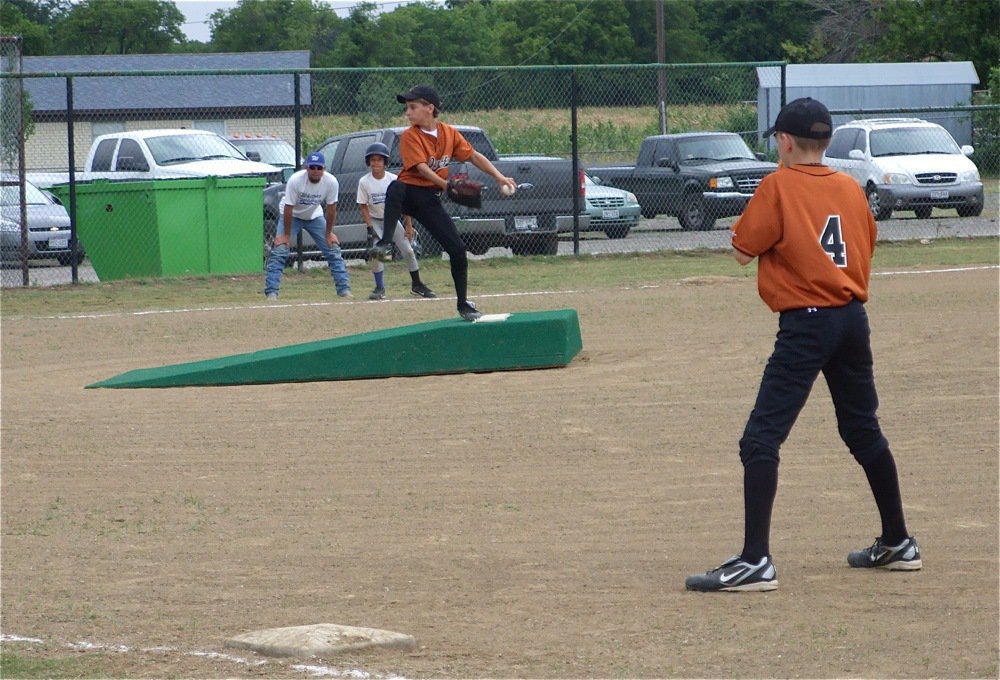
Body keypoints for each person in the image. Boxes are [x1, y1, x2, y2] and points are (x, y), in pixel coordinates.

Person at [685, 98, 920, 593]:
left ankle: (755, 561)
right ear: (829, 142)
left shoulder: (777, 185)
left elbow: (740, 252)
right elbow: (863, 241)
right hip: (852, 319)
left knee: (760, 439)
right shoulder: (851, 187)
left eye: (777, 139)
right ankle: (899, 541)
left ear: (785, 142)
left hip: (807, 323)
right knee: (862, 429)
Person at [369, 85, 516, 321]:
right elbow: (421, 168)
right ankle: (385, 242)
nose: (408, 112)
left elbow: (474, 156)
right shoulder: (409, 136)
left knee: (457, 250)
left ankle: (464, 304)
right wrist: (446, 185)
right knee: (395, 187)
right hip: (409, 192)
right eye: (407, 107)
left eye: (413, 107)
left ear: (430, 108)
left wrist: (498, 176)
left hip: (429, 199)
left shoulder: (449, 134)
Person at [264, 152, 351, 299]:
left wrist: (329, 233)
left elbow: (331, 210)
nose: (315, 171)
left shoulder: (331, 182)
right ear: (306, 168)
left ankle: (344, 290)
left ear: (324, 169)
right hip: (291, 216)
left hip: (314, 215)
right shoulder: (296, 180)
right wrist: (285, 235)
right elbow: (288, 207)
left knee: (333, 249)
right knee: (280, 251)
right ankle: (271, 292)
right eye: (312, 167)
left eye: (319, 168)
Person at [357, 142, 436, 301]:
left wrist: (408, 224)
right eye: (373, 160)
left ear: (385, 162)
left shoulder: (394, 179)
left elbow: (404, 204)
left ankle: (417, 285)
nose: (376, 163)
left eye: (380, 160)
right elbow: (363, 206)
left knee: (408, 250)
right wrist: (370, 226)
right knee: (378, 254)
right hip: (375, 220)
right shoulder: (364, 182)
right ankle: (379, 288)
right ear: (368, 162)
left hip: (392, 220)